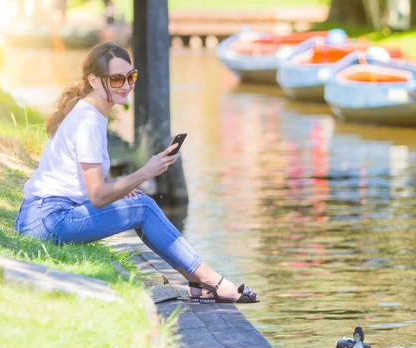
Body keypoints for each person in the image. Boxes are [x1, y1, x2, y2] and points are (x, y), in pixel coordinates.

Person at [14, 42, 258, 304]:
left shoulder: (89, 113)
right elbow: (97, 196)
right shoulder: (88, 121)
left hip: (42, 216)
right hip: (47, 220)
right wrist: (144, 172)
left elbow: (81, 182)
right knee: (143, 207)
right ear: (94, 81)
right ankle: (212, 281)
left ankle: (201, 281)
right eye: (117, 79)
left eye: (131, 76)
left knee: (136, 203)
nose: (127, 85)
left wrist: (120, 186)